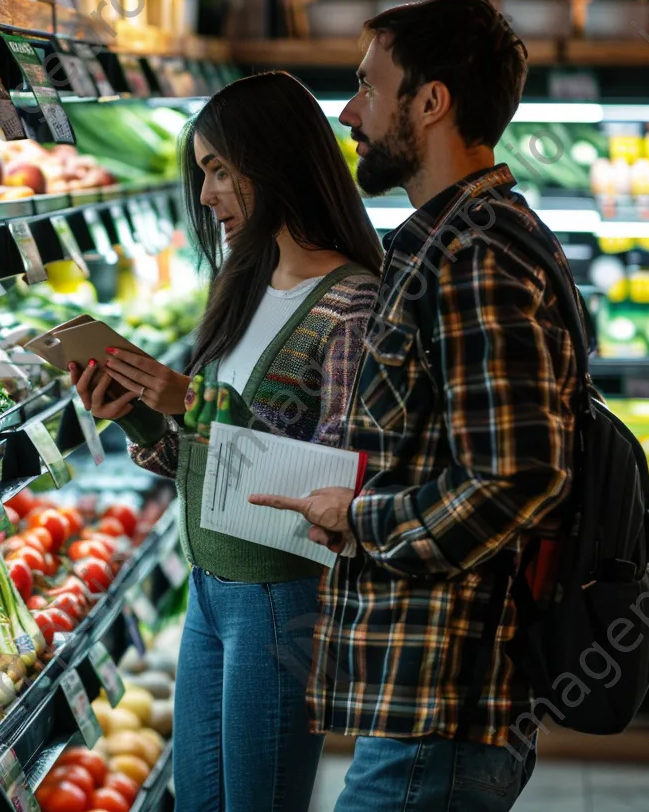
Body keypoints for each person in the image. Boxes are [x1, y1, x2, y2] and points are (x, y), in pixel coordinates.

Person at [250, 0, 579, 810]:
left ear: (431, 103)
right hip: (425, 702)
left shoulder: (475, 256)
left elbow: (517, 476)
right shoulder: (448, 242)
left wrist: (358, 518)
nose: (348, 110)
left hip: (447, 707)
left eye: (368, 85)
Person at [71, 70, 381, 812]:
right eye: (202, 172)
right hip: (208, 591)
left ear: (271, 161)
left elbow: (329, 491)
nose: (206, 196)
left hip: (281, 600)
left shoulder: (353, 302)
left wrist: (197, 404)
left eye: (218, 170)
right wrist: (138, 415)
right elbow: (206, 466)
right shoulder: (238, 284)